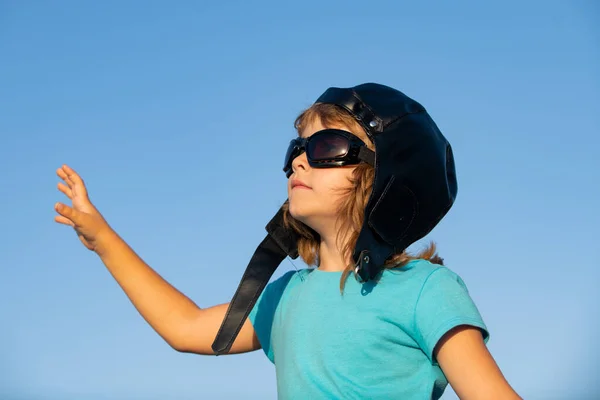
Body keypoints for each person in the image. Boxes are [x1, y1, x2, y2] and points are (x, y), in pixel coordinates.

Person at [54, 83, 521, 399]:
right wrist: (103, 240)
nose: (299, 162)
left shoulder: (425, 290)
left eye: (325, 149)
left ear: (384, 178)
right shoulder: (284, 296)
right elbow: (186, 327)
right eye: (296, 150)